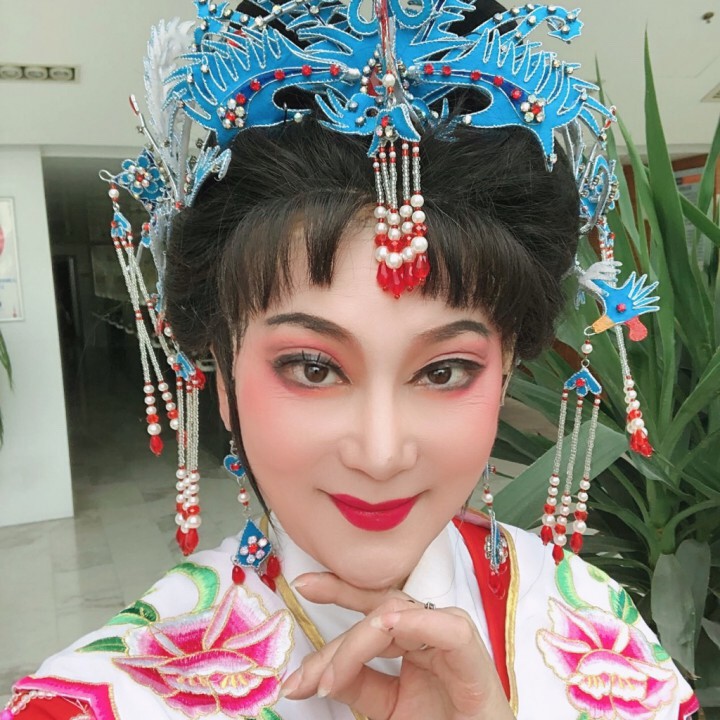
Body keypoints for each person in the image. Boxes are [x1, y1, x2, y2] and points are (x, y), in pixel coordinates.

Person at [4, 0, 699, 718]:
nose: (381, 454)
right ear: (221, 374)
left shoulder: (599, 622)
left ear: (505, 370)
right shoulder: (106, 697)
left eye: (443, 371)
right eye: (313, 367)